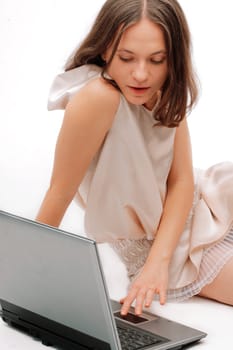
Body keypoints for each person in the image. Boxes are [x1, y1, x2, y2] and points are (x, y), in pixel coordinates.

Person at [36, 0, 233, 316]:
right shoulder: (97, 98)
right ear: (105, 50)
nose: (141, 74)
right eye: (126, 58)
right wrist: (27, 281)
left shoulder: (166, 86)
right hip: (172, 245)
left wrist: (159, 261)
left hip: (205, 203)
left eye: (157, 60)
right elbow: (59, 192)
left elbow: (181, 181)